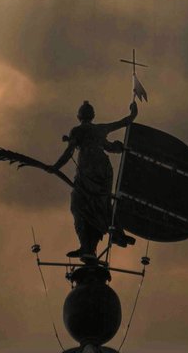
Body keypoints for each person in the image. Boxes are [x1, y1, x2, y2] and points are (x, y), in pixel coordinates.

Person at [48, 99, 138, 258]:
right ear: (93, 116)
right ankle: (115, 233)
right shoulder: (100, 129)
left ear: (78, 116)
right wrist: (133, 113)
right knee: (102, 203)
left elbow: (69, 152)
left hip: (88, 170)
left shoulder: (77, 130)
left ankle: (87, 247)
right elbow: (123, 123)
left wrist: (55, 167)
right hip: (103, 170)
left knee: (79, 205)